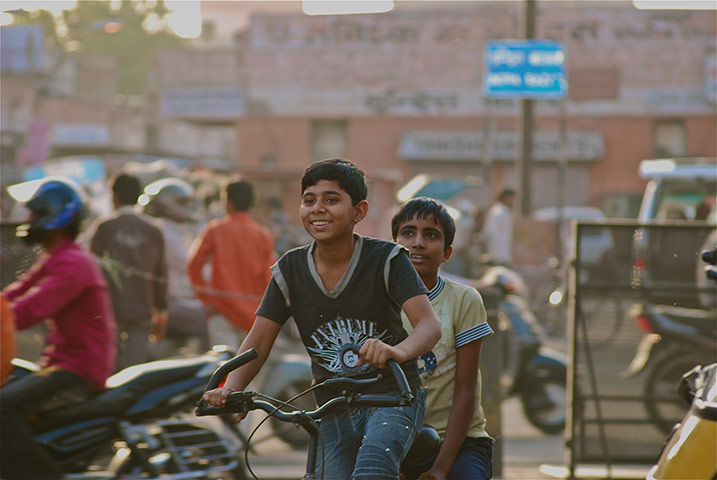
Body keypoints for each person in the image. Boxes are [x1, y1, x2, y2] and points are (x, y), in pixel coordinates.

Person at [203, 158, 442, 479]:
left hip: (393, 399)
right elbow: (258, 341)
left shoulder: (387, 259)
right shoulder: (289, 270)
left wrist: (396, 351)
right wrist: (231, 387)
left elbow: (429, 325)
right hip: (332, 406)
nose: (317, 208)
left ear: (359, 211)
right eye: (309, 200)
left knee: (372, 470)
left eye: (331, 200)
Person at [1, 178, 116, 480]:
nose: (27, 221)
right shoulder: (55, 256)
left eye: (33, 214)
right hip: (59, 363)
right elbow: (10, 296)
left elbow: (27, 311)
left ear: (54, 217)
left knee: (3, 406)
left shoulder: (73, 262)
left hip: (78, 369)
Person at [391, 197, 494, 480]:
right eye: (408, 233)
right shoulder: (380, 301)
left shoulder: (463, 300)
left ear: (447, 252)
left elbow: (466, 390)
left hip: (459, 443)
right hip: (393, 440)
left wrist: (440, 468)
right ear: (393, 246)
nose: (418, 243)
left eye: (431, 235)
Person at [89, 173, 167, 371]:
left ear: (114, 196)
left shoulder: (105, 227)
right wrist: (161, 309)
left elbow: (92, 269)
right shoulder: (153, 229)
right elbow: (161, 274)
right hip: (143, 306)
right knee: (134, 367)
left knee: (110, 363)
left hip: (110, 307)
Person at [187, 180, 276, 351]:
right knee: (248, 372)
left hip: (221, 311)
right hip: (254, 316)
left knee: (223, 370)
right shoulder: (263, 234)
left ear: (228, 202)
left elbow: (194, 265)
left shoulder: (215, 230)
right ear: (251, 204)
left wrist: (205, 299)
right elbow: (269, 278)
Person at [143, 177, 209, 356]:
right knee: (210, 317)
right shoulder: (165, 231)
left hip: (178, 298)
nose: (188, 207)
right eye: (183, 202)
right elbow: (189, 265)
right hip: (170, 302)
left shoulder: (175, 229)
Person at [483, 187, 516, 267]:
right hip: (497, 257)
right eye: (512, 198)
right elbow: (490, 233)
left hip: (502, 256)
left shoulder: (504, 212)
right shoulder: (499, 212)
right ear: (506, 198)